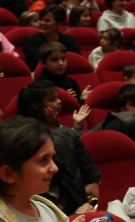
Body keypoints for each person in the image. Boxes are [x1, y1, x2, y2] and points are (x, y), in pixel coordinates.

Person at [17, 80, 97, 213]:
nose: (59, 101)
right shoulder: (27, 137)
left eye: (58, 98)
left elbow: (75, 155)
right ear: (36, 106)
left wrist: (58, 128)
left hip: (73, 195)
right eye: (53, 99)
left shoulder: (59, 130)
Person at [21, 5, 81, 70]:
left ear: (59, 24)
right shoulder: (31, 40)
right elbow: (40, 64)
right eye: (41, 20)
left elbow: (78, 61)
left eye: (47, 21)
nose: (42, 23)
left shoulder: (69, 39)